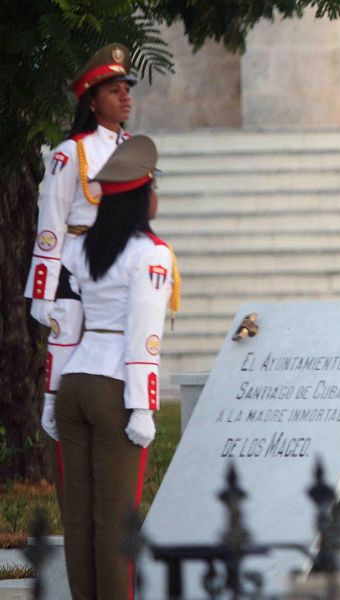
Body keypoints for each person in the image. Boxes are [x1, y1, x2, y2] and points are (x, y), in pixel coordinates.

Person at [50, 135, 176, 599]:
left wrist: (50, 394)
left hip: (75, 382)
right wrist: (143, 405)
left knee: (80, 517)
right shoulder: (151, 253)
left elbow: (63, 325)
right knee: (116, 519)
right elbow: (145, 332)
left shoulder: (78, 250)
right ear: (143, 196)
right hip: (115, 387)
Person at [29, 44, 137, 473]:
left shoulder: (136, 147)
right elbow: (51, 222)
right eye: (114, 91)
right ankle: (55, 409)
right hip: (76, 262)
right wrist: (44, 288)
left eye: (127, 89)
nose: (125, 97)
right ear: (93, 102)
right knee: (68, 343)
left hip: (121, 262)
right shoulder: (71, 152)